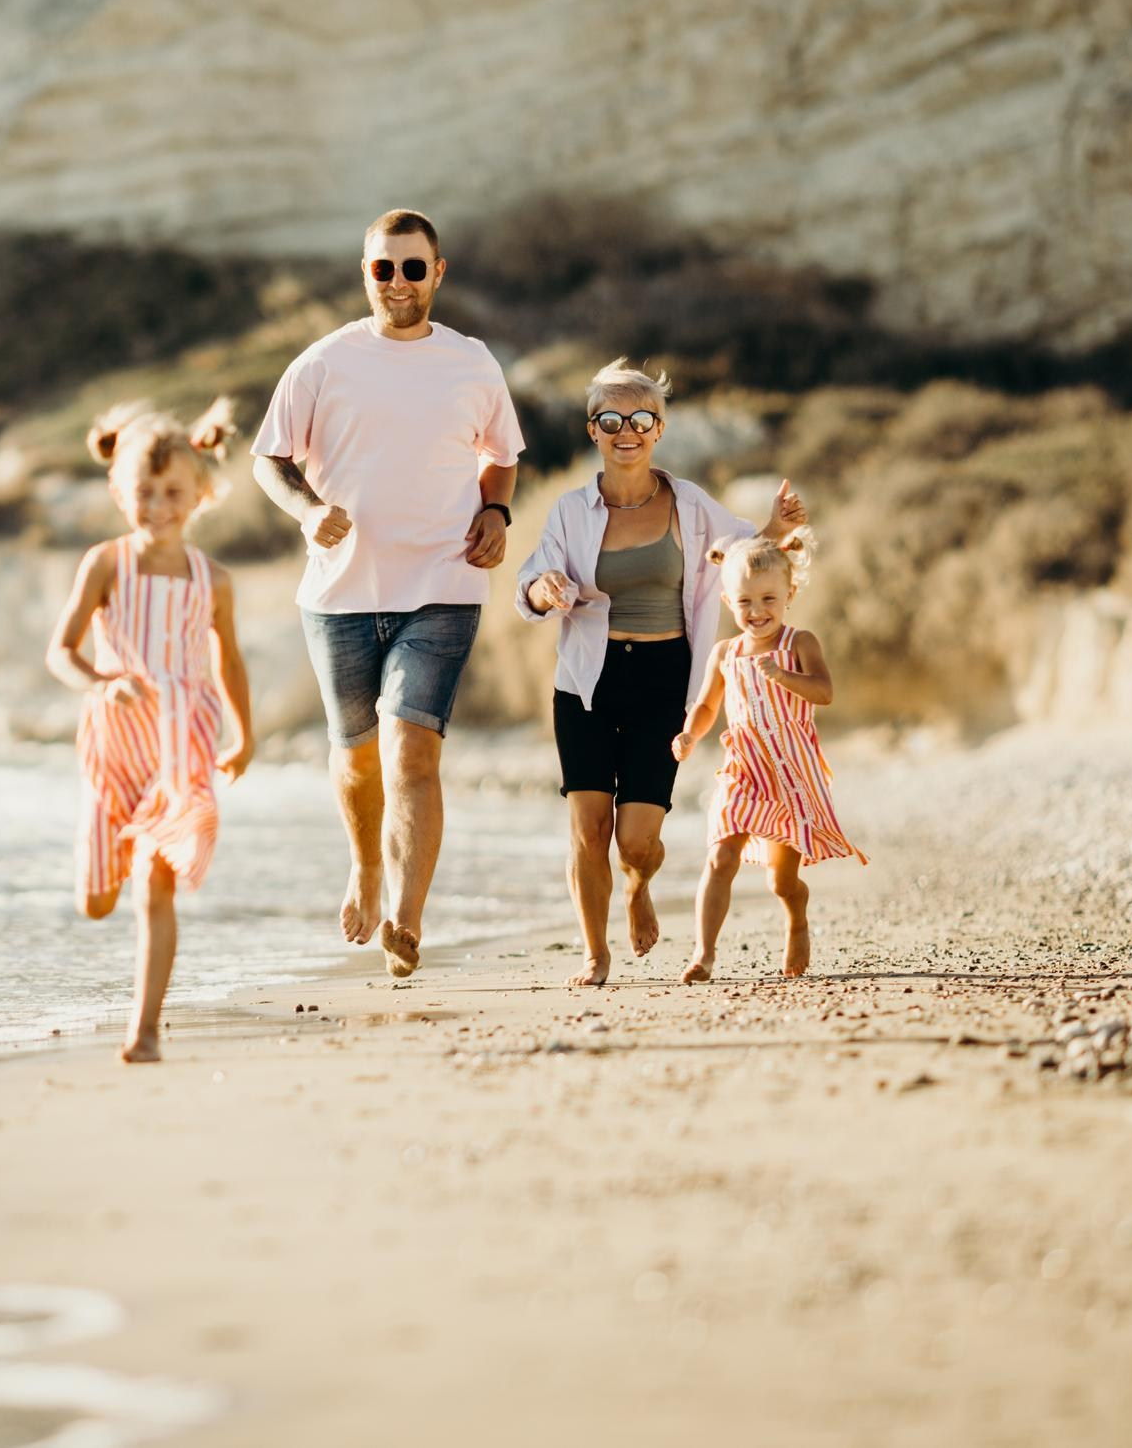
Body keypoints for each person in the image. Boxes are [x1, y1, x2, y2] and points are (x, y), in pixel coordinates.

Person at [251, 209, 523, 978]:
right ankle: (364, 864)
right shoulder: (323, 363)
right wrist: (309, 510)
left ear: (438, 273)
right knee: (357, 757)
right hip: (338, 593)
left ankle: (406, 914)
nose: (398, 282)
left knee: (412, 753)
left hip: (444, 582)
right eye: (383, 268)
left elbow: (500, 456)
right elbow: (268, 458)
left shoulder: (473, 363)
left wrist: (496, 510)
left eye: (413, 267)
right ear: (364, 273)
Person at [515, 360, 809, 988]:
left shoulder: (690, 503)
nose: (628, 430)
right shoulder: (570, 511)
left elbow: (742, 558)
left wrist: (777, 532)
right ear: (593, 429)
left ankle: (639, 883)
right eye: (612, 418)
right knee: (589, 829)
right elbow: (530, 585)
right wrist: (544, 588)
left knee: (635, 842)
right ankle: (595, 956)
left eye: (641, 418)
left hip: (665, 679)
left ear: (659, 428)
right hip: (587, 681)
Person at [45, 398, 255, 1063]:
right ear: (119, 491)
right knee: (97, 902)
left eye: (173, 493)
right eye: (144, 492)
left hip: (180, 746)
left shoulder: (211, 579)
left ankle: (145, 1030)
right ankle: (98, 875)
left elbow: (229, 658)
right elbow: (61, 650)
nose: (159, 507)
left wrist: (244, 735)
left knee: (156, 887)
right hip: (115, 746)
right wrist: (103, 682)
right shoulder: (107, 564)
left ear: (200, 494)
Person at [672, 530, 865, 981]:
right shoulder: (725, 652)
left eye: (767, 599)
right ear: (726, 601)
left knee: (781, 880)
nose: (756, 612)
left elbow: (825, 692)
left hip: (790, 773)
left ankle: (796, 916)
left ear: (789, 594)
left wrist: (781, 675)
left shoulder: (800, 643)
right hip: (742, 767)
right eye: (744, 602)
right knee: (721, 856)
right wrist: (689, 735)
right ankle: (703, 954)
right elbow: (705, 706)